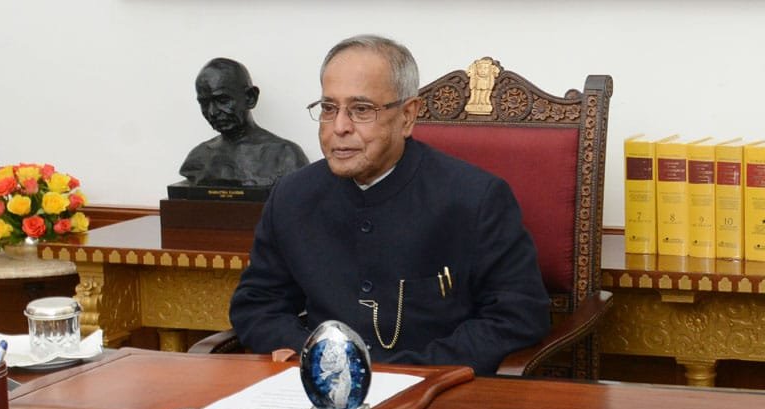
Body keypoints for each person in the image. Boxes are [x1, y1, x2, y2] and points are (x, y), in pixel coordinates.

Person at [229, 35, 550, 376]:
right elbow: (258, 303)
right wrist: (316, 355)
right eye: (328, 108)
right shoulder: (292, 196)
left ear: (408, 116)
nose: (339, 127)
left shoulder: (476, 198)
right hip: (321, 392)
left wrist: (405, 372)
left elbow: (518, 315)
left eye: (361, 110)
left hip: (440, 394)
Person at [179, 58, 309, 187]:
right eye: (205, 103)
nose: (212, 112)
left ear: (250, 98)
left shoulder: (285, 155)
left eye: (223, 100)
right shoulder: (197, 158)